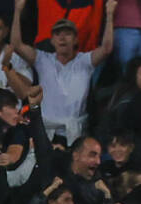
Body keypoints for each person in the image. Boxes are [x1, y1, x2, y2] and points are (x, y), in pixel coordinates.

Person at [11, 0, 116, 145]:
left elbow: (106, 49)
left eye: (67, 34)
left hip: (75, 135)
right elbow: (16, 45)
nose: (62, 38)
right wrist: (17, 10)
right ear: (52, 40)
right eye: (57, 34)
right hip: (46, 133)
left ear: (75, 40)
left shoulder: (85, 62)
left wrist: (110, 15)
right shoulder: (42, 59)